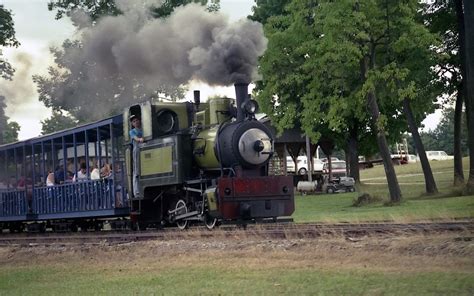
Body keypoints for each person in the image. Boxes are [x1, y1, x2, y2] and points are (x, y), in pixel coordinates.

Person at [129, 114, 144, 198]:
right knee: (136, 170)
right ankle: (136, 191)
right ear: (132, 124)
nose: (136, 122)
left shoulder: (143, 129)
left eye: (137, 120)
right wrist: (140, 139)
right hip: (137, 149)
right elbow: (135, 138)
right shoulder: (132, 131)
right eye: (134, 121)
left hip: (143, 149)